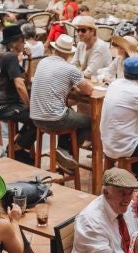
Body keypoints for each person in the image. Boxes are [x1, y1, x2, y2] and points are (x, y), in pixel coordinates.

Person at [30, 34, 93, 163]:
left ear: (55, 49)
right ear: (69, 54)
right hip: (54, 119)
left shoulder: (43, 61)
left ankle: (63, 151)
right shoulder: (70, 69)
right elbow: (89, 90)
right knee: (91, 122)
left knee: (68, 111)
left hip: (35, 117)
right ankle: (68, 152)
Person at [0, 24, 36, 164]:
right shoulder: (11, 58)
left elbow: (26, 79)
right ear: (15, 43)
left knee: (31, 117)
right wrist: (29, 106)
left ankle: (15, 147)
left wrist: (30, 59)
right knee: (37, 119)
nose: (24, 43)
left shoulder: (6, 56)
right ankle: (15, 150)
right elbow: (20, 87)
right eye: (22, 41)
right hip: (2, 106)